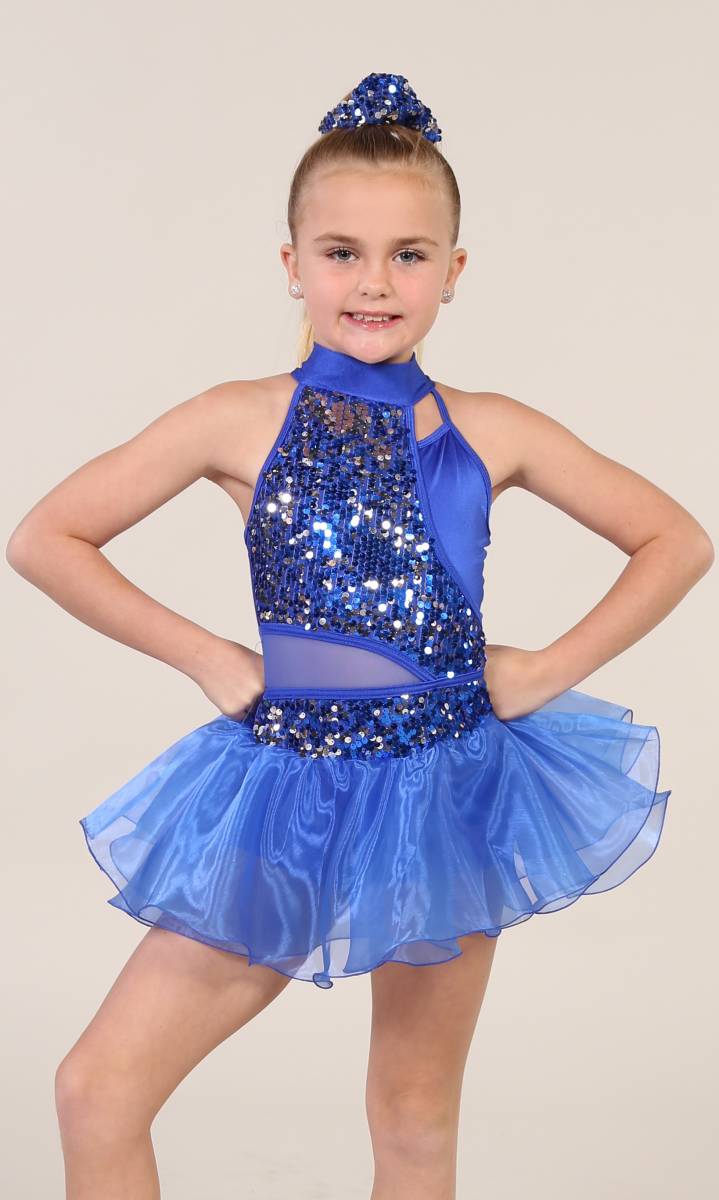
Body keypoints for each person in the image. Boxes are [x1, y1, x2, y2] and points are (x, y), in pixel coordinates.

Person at [6, 70, 713, 1200]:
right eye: (341, 252)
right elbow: (47, 537)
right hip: (291, 785)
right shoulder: (239, 417)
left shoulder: (492, 428)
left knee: (414, 1117)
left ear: (453, 269)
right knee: (98, 1090)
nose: (374, 281)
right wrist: (208, 656)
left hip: (448, 787)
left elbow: (675, 539)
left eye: (408, 254)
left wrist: (544, 670)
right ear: (291, 262)